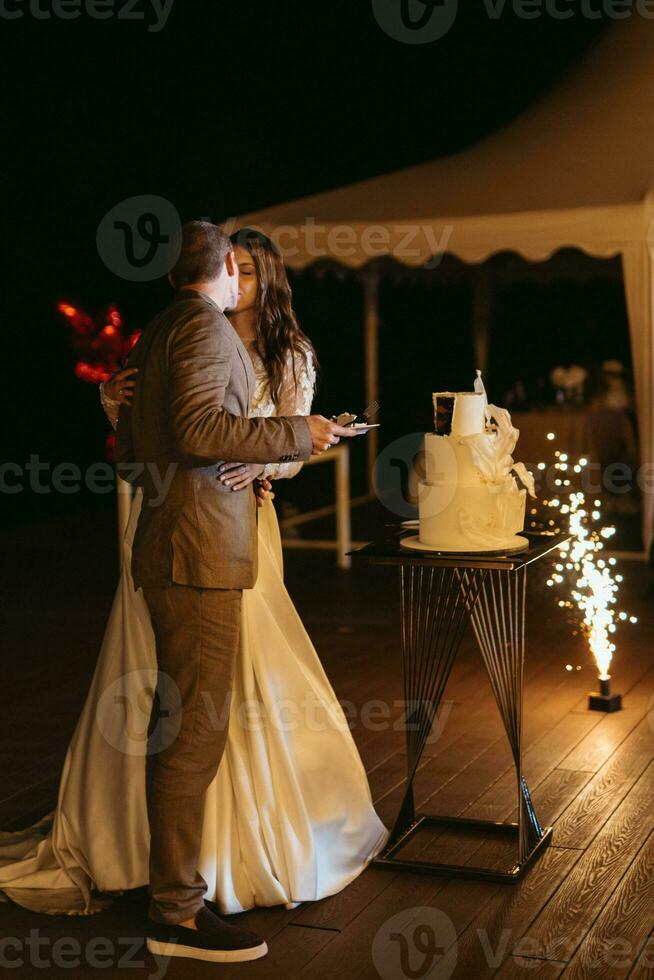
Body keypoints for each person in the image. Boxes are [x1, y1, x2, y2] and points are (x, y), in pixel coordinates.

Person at [0, 224, 388, 966]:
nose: (239, 278)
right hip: (196, 540)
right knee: (191, 713)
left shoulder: (211, 335)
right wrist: (284, 436)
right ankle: (178, 898)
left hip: (226, 530)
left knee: (219, 696)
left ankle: (222, 851)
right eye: (231, 266)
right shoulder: (199, 334)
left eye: (249, 268)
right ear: (218, 273)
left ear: (265, 279)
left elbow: (184, 438)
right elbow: (195, 430)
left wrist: (271, 455)